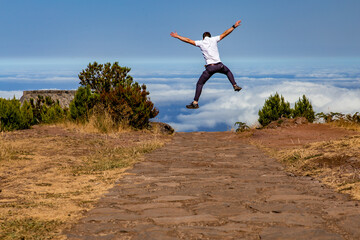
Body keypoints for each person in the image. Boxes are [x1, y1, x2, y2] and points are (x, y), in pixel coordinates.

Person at [170, 20, 242, 109]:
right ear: (209, 36)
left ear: (203, 37)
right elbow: (225, 33)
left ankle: (195, 103)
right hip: (220, 65)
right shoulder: (214, 39)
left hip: (210, 68)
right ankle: (235, 85)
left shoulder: (201, 43)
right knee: (227, 71)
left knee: (200, 84)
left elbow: (188, 40)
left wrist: (177, 36)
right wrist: (234, 26)